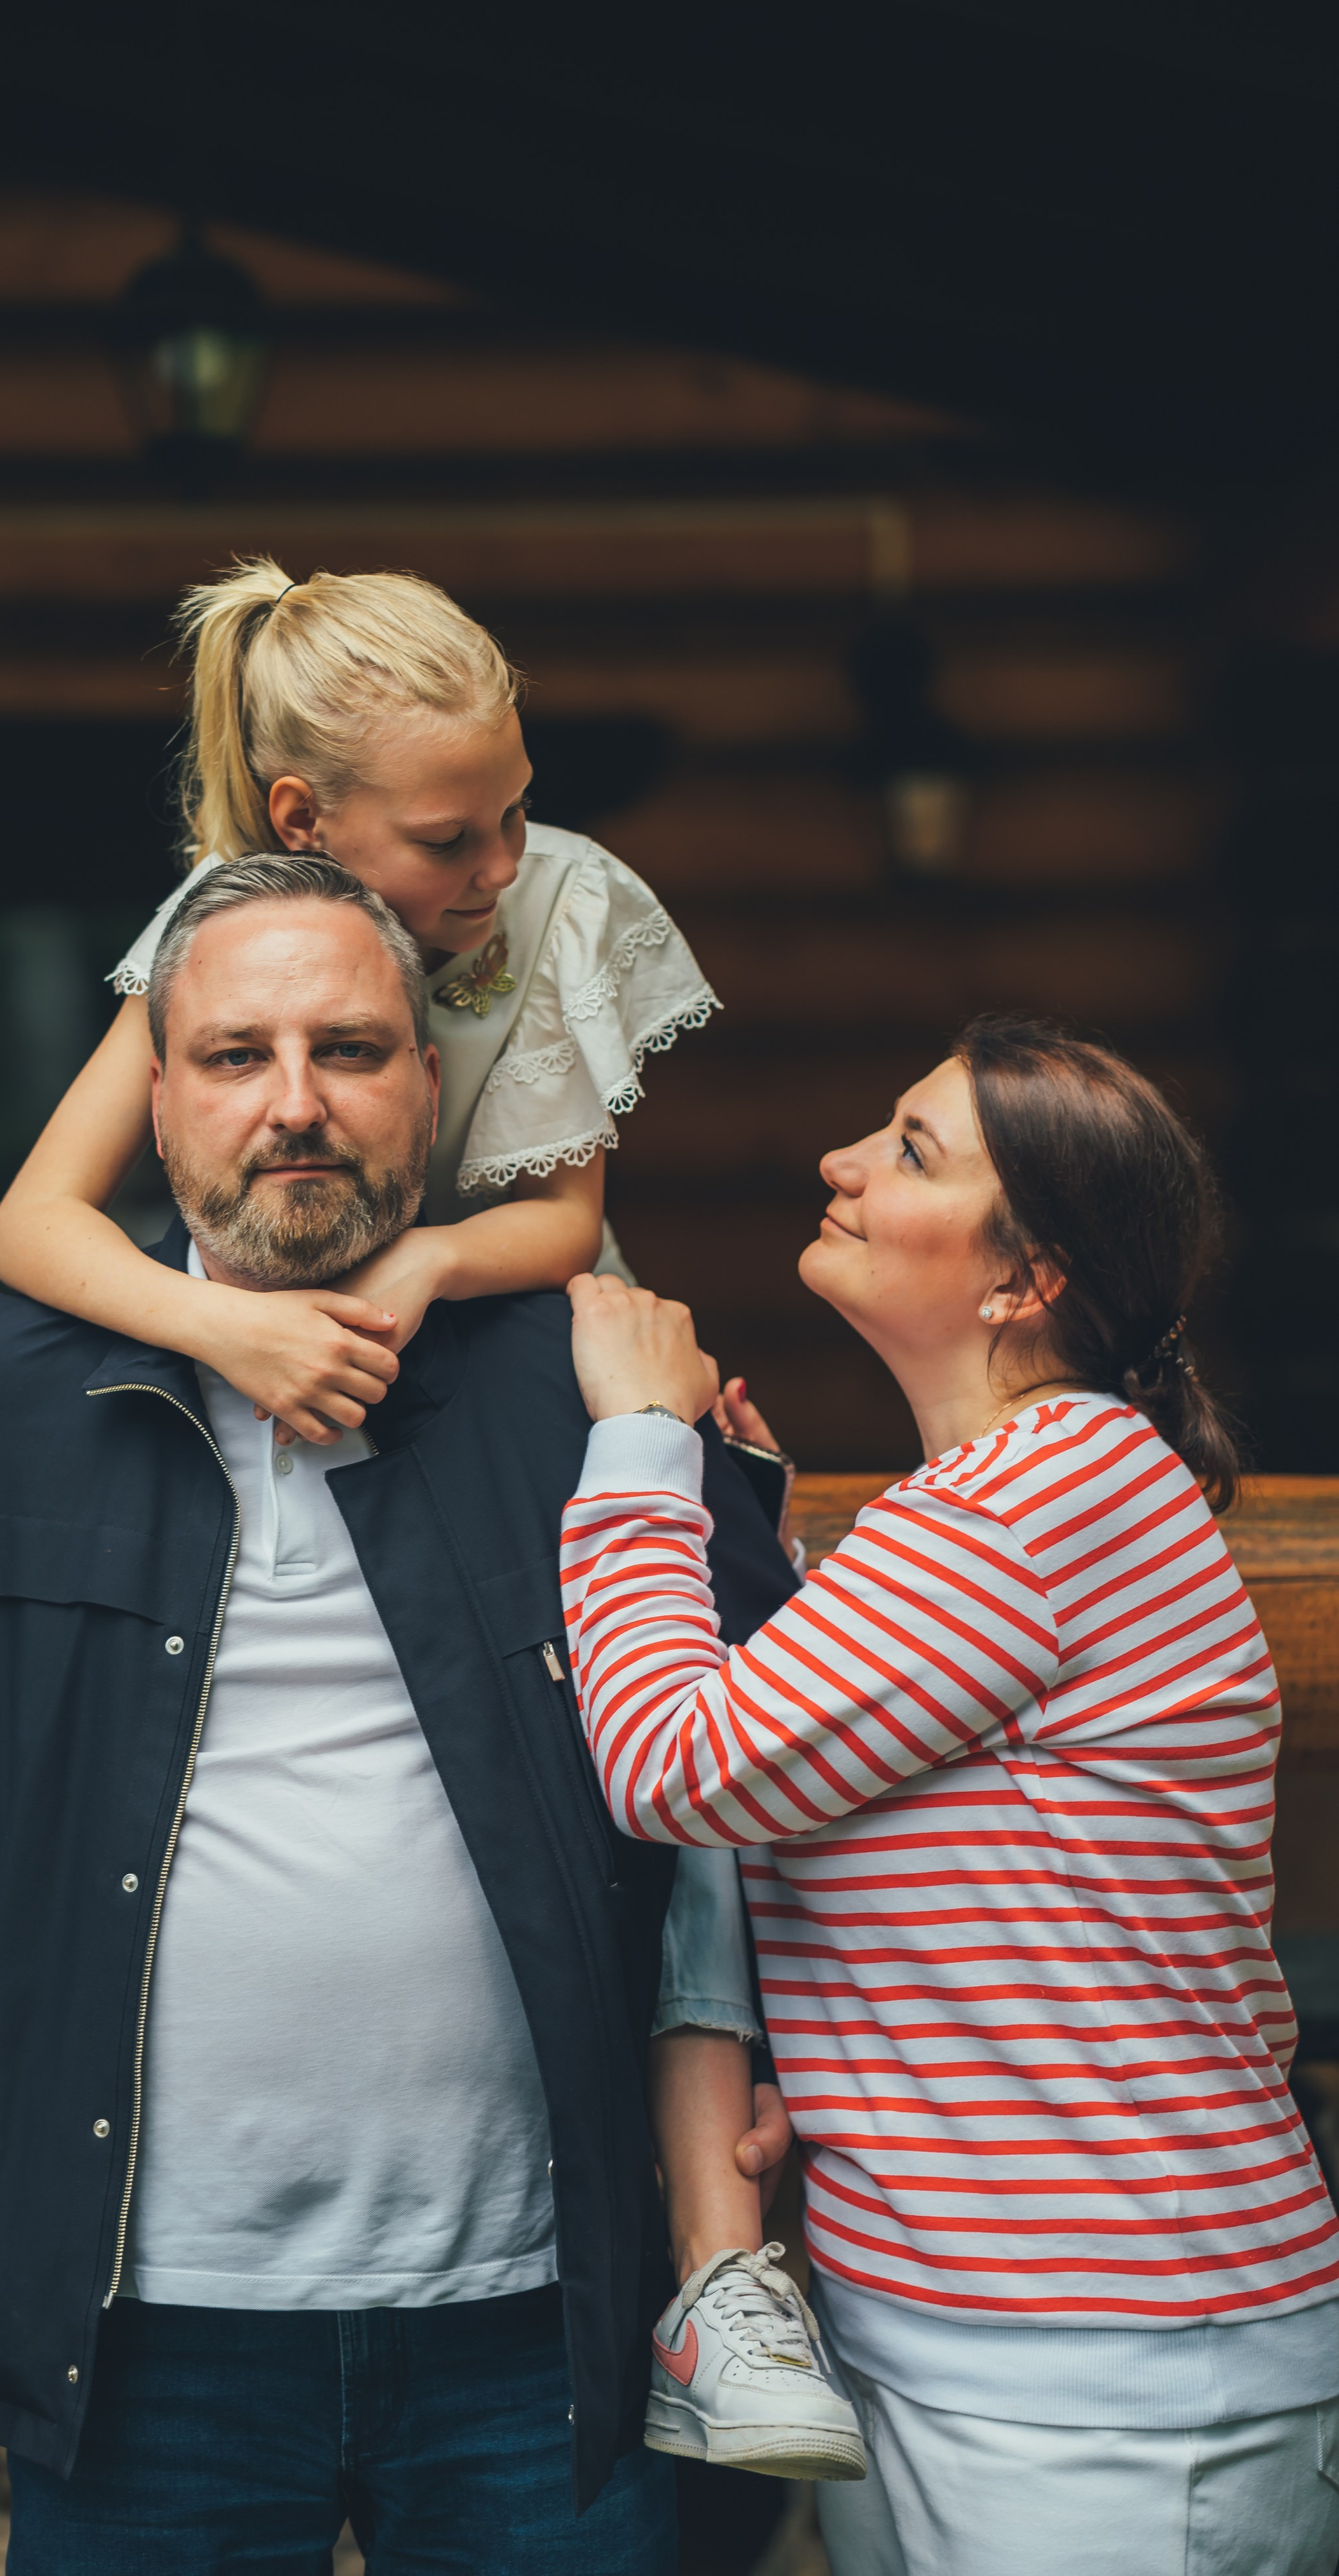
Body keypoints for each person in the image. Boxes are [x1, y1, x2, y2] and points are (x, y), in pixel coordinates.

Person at [0, 856, 842, 2572]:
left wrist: (718, 1477)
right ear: (156, 1097)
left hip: (533, 2329)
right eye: (237, 1056)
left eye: (350, 1048)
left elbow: (774, 1735)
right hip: (131, 2337)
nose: (297, 1104)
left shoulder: (565, 1379)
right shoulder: (7, 1384)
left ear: (429, 1083)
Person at [0, 557, 830, 2472]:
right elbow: (36, 1225)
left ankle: (707, 2260)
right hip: (146, 2327)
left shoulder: (556, 904)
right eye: (457, 832)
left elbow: (576, 1223)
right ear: (302, 823)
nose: (502, 861)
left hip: (501, 1338)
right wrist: (227, 1332)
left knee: (659, 1737)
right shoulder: (208, 951)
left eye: (519, 804)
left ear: (418, 1071)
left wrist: (590, 1392)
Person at [557, 1015, 1339, 2575]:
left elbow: (674, 1762)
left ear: (1022, 1278)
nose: (840, 1162)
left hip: (1106, 2364)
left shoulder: (1048, 1487)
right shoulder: (991, 1505)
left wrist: (638, 1446)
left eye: (909, 1149)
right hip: (958, 2322)